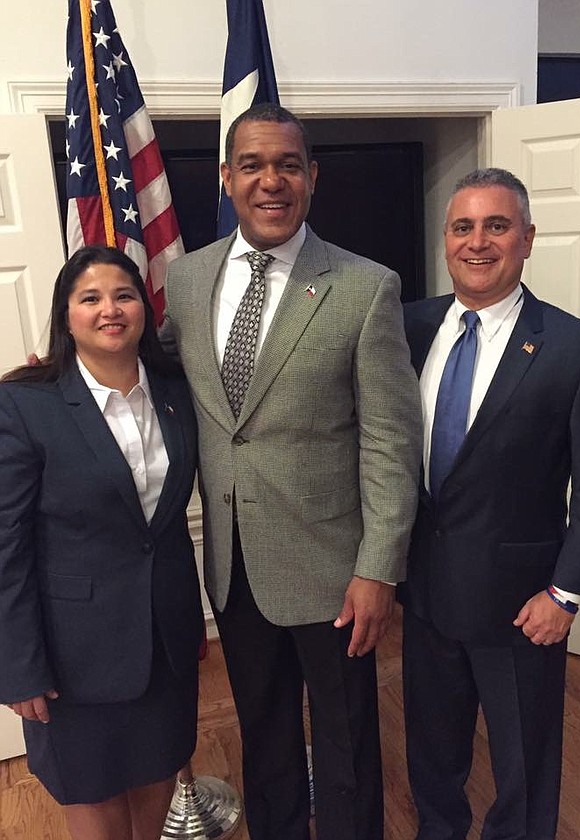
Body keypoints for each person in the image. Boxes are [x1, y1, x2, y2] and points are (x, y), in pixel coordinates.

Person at [162, 102, 422, 840]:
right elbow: (150, 373)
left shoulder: (365, 287)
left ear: (312, 177)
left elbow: (391, 441)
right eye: (252, 165)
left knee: (345, 747)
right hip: (235, 567)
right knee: (264, 735)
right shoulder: (186, 281)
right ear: (226, 178)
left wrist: (379, 568)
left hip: (335, 574)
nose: (269, 181)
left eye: (286, 165)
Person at [400, 168, 580, 840]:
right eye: (462, 227)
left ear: (526, 238)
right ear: (445, 240)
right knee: (431, 755)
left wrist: (566, 595)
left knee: (523, 770)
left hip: (521, 606)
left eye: (497, 226)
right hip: (424, 594)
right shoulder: (407, 329)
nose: (478, 242)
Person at [0, 246, 204, 840]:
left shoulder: (176, 394)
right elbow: (6, 546)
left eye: (124, 295)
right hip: (71, 659)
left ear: (144, 307)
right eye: (90, 298)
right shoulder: (25, 405)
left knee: (154, 793)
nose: (109, 309)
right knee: (95, 809)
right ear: (66, 316)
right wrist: (18, 666)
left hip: (163, 644)